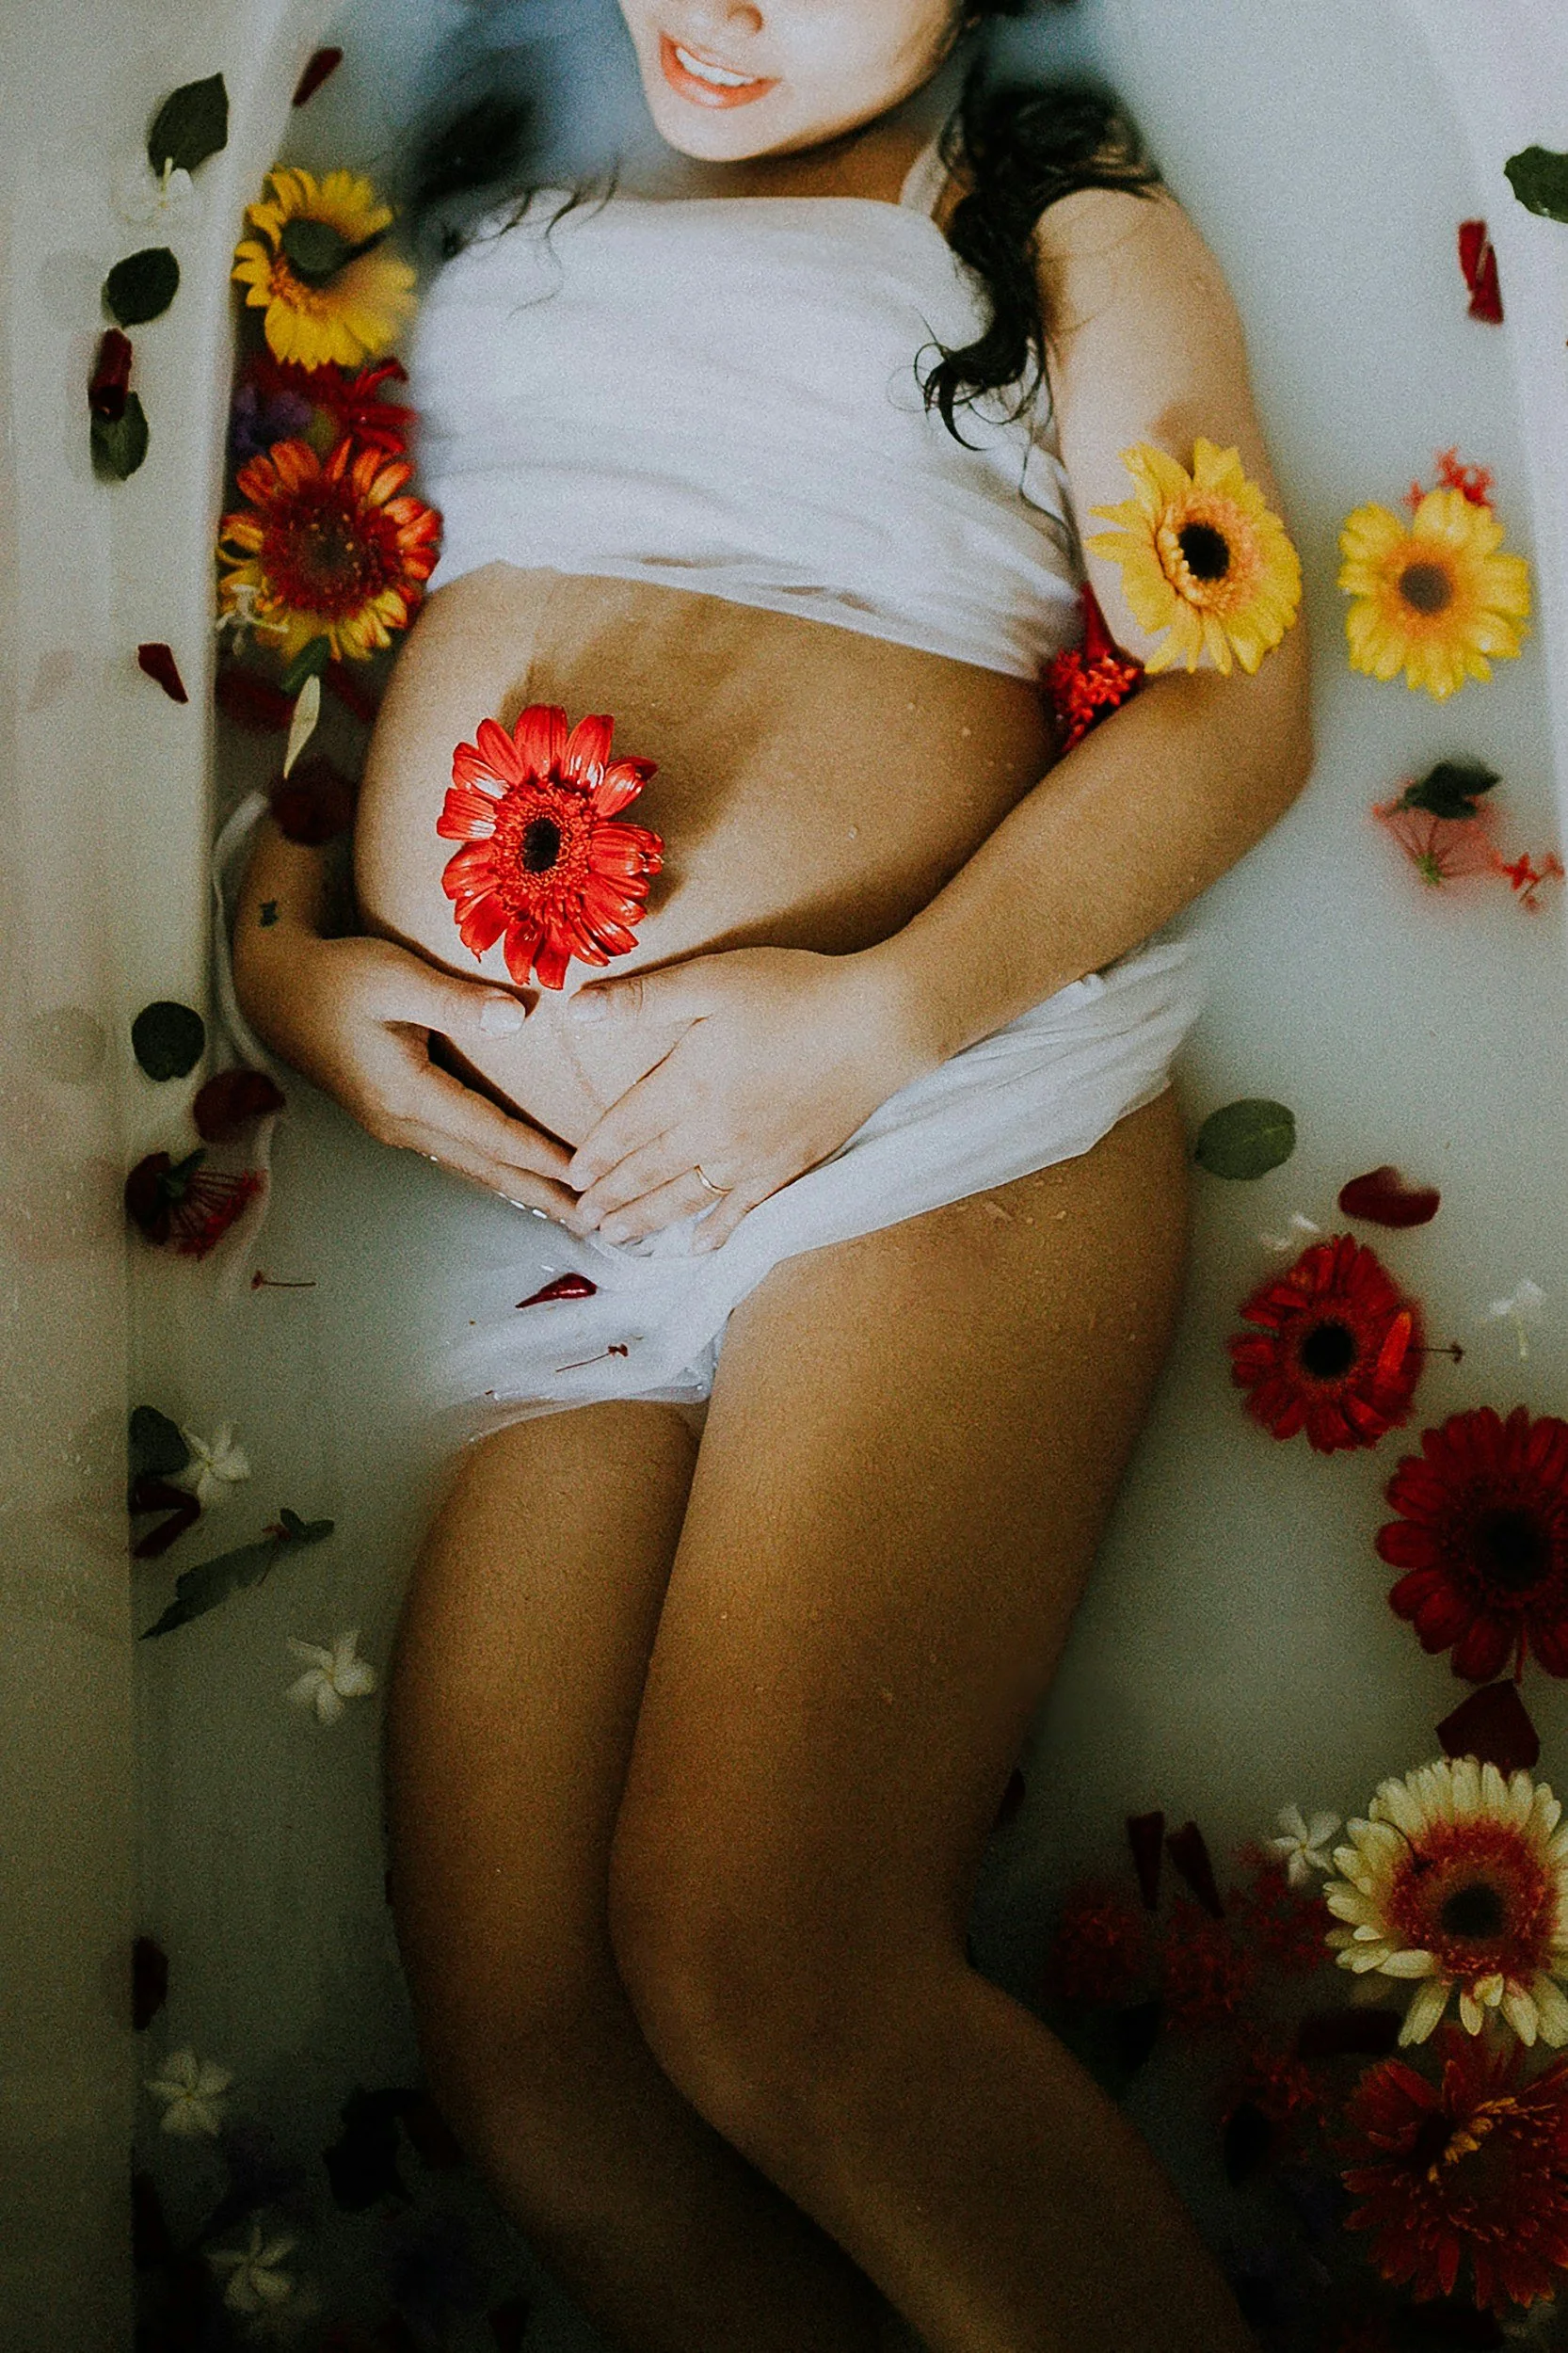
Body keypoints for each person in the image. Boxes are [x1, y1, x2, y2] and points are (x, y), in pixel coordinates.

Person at [231, 2, 1310, 2345]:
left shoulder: (1048, 226)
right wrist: (292, 957)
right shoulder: (477, 187)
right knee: (535, 2052)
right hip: (552, 1198)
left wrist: (870, 1020)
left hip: (927, 1109)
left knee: (772, 1959)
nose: (714, 7)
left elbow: (1235, 707)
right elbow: (319, 624)